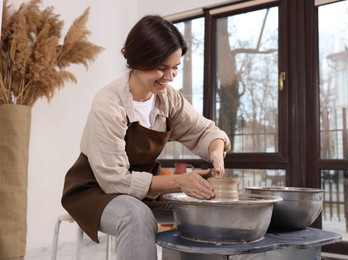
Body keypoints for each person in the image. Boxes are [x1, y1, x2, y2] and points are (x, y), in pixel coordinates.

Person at [61, 15, 230, 260]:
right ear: (138, 60)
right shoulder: (109, 103)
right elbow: (114, 182)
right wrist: (180, 182)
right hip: (95, 190)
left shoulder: (169, 99)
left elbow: (204, 131)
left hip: (143, 191)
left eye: (175, 67)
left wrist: (216, 148)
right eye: (162, 67)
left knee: (197, 211)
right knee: (136, 216)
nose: (170, 76)